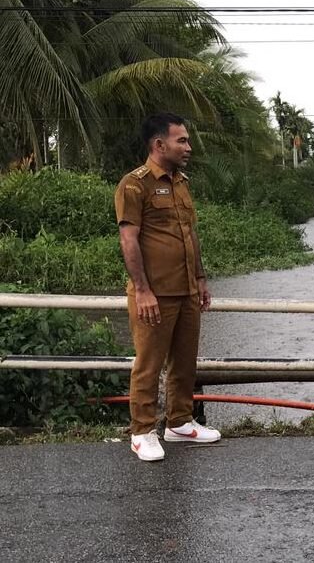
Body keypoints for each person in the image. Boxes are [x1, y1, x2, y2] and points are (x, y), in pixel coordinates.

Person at [116, 113, 219, 462]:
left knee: (185, 362)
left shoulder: (181, 183)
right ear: (159, 145)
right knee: (148, 364)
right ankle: (142, 431)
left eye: (187, 140)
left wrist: (201, 279)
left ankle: (179, 423)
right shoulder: (134, 184)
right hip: (153, 294)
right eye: (182, 140)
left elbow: (190, 234)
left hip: (186, 289)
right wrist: (142, 290)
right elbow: (129, 240)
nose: (188, 147)